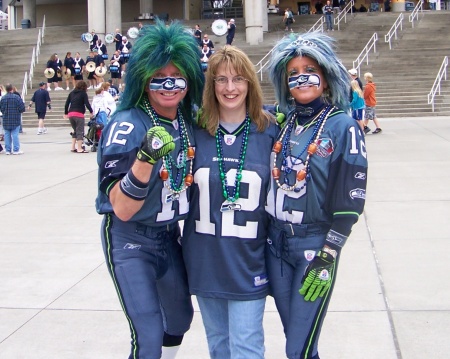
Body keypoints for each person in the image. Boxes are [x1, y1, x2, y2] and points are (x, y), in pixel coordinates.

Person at [95, 20, 204, 359]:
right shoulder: (127, 124)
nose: (169, 86)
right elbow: (122, 207)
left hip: (169, 235)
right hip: (131, 238)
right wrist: (144, 159)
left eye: (177, 78)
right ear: (144, 79)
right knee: (147, 335)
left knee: (180, 321)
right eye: (159, 79)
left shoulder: (188, 119)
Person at [266, 32, 368, 359]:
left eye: (309, 69)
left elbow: (352, 198)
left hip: (315, 247)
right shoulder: (284, 122)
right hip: (275, 245)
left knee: (298, 347)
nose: (301, 77)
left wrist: (330, 251)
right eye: (293, 73)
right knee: (298, 341)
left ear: (325, 78)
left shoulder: (342, 127)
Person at [182, 45, 278, 359]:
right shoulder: (195, 133)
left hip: (249, 261)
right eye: (221, 80)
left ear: (250, 82)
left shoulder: (270, 132)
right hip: (206, 259)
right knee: (220, 347)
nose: (230, 88)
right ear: (211, 87)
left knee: (247, 347)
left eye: (238, 79)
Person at [64, 80, 93, 153]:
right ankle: (79, 148)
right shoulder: (83, 93)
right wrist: (91, 111)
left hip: (71, 114)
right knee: (80, 131)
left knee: (75, 131)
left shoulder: (71, 93)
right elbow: (87, 104)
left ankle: (73, 147)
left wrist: (66, 113)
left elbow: (67, 104)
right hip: (79, 114)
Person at [0, 84, 26, 155]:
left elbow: (1, 108)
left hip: (6, 118)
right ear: (12, 89)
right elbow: (22, 108)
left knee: (7, 134)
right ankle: (16, 149)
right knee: (15, 134)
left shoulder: (3, 98)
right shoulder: (16, 97)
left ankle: (8, 150)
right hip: (15, 118)